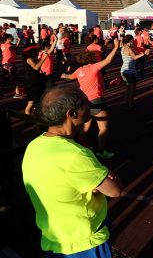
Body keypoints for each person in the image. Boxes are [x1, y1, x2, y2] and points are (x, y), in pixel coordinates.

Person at [22, 84, 122, 257]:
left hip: (54, 237)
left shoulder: (34, 145)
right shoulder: (76, 155)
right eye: (85, 104)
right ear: (71, 114)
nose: (89, 106)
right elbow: (114, 190)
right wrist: (107, 176)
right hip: (84, 243)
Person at [61, 39, 120, 159]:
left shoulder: (79, 71)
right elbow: (108, 60)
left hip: (84, 102)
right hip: (96, 100)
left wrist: (63, 75)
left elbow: (69, 76)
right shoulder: (93, 67)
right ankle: (101, 151)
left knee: (85, 127)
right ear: (91, 59)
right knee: (103, 127)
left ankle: (79, 147)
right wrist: (116, 47)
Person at [23, 44, 55, 115]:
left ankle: (28, 116)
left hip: (32, 80)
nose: (36, 51)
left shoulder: (30, 58)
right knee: (35, 99)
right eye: (34, 50)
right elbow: (36, 67)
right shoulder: (29, 59)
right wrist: (44, 57)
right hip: (31, 82)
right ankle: (32, 115)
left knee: (31, 101)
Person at [120, 35, 150, 108]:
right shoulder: (128, 48)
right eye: (132, 40)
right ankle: (130, 103)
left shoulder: (123, 47)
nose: (134, 41)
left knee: (128, 87)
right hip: (129, 71)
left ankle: (126, 101)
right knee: (132, 89)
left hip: (124, 70)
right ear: (130, 40)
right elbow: (134, 57)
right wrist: (143, 54)